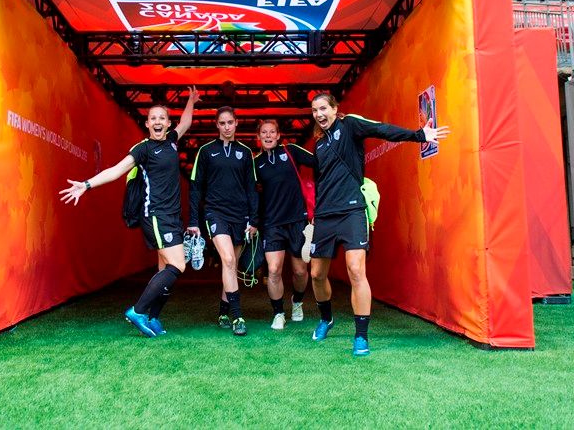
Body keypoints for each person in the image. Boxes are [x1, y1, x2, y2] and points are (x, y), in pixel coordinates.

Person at [308, 93, 450, 357]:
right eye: (315, 110)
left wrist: (419, 135)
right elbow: (321, 182)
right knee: (316, 274)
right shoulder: (320, 145)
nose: (319, 114)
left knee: (355, 269)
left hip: (352, 210)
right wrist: (316, 211)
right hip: (325, 215)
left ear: (335, 109)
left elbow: (381, 129)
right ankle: (326, 319)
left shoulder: (349, 125)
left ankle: (361, 336)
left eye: (323, 108)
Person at [59, 86, 200, 338]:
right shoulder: (143, 149)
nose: (157, 121)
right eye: (153, 118)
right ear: (147, 124)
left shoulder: (170, 142)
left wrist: (191, 100)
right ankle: (138, 310)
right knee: (178, 265)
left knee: (164, 270)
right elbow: (116, 170)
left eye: (162, 118)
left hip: (171, 216)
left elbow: (187, 122)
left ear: (168, 124)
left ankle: (153, 317)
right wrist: (87, 184)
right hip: (155, 215)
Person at [188, 106, 259, 336]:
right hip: (215, 213)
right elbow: (195, 187)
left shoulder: (246, 152)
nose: (227, 127)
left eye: (230, 122)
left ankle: (223, 311)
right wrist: (193, 221)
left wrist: (253, 220)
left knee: (232, 265)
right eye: (222, 123)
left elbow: (252, 189)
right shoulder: (206, 151)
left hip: (240, 216)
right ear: (217, 125)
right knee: (227, 259)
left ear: (236, 123)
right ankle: (238, 316)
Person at [254, 119, 314, 330]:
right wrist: (253, 222)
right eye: (264, 133)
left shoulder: (291, 152)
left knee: (299, 271)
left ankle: (297, 302)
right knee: (274, 269)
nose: (268, 136)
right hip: (271, 223)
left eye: (272, 132)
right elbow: (250, 194)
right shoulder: (256, 163)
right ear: (259, 137)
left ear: (279, 135)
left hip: (297, 220)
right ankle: (278, 313)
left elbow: (320, 162)